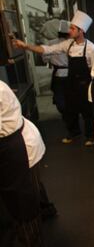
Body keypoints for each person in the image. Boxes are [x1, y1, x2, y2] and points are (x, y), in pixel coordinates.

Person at [13, 10, 94, 147]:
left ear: (81, 31)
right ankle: (74, 132)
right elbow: (47, 50)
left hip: (85, 85)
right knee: (70, 110)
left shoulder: (91, 48)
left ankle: (90, 136)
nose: (69, 30)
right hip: (71, 83)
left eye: (73, 28)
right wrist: (26, 46)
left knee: (87, 111)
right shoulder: (68, 44)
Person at [0, 80, 45, 246]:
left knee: (23, 203)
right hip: (12, 145)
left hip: (17, 147)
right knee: (30, 189)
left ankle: (32, 240)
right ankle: (45, 209)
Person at [42, 19, 70, 115]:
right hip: (71, 74)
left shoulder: (51, 43)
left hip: (58, 74)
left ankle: (64, 112)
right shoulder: (72, 43)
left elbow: (45, 59)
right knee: (71, 95)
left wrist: (52, 59)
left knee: (59, 96)